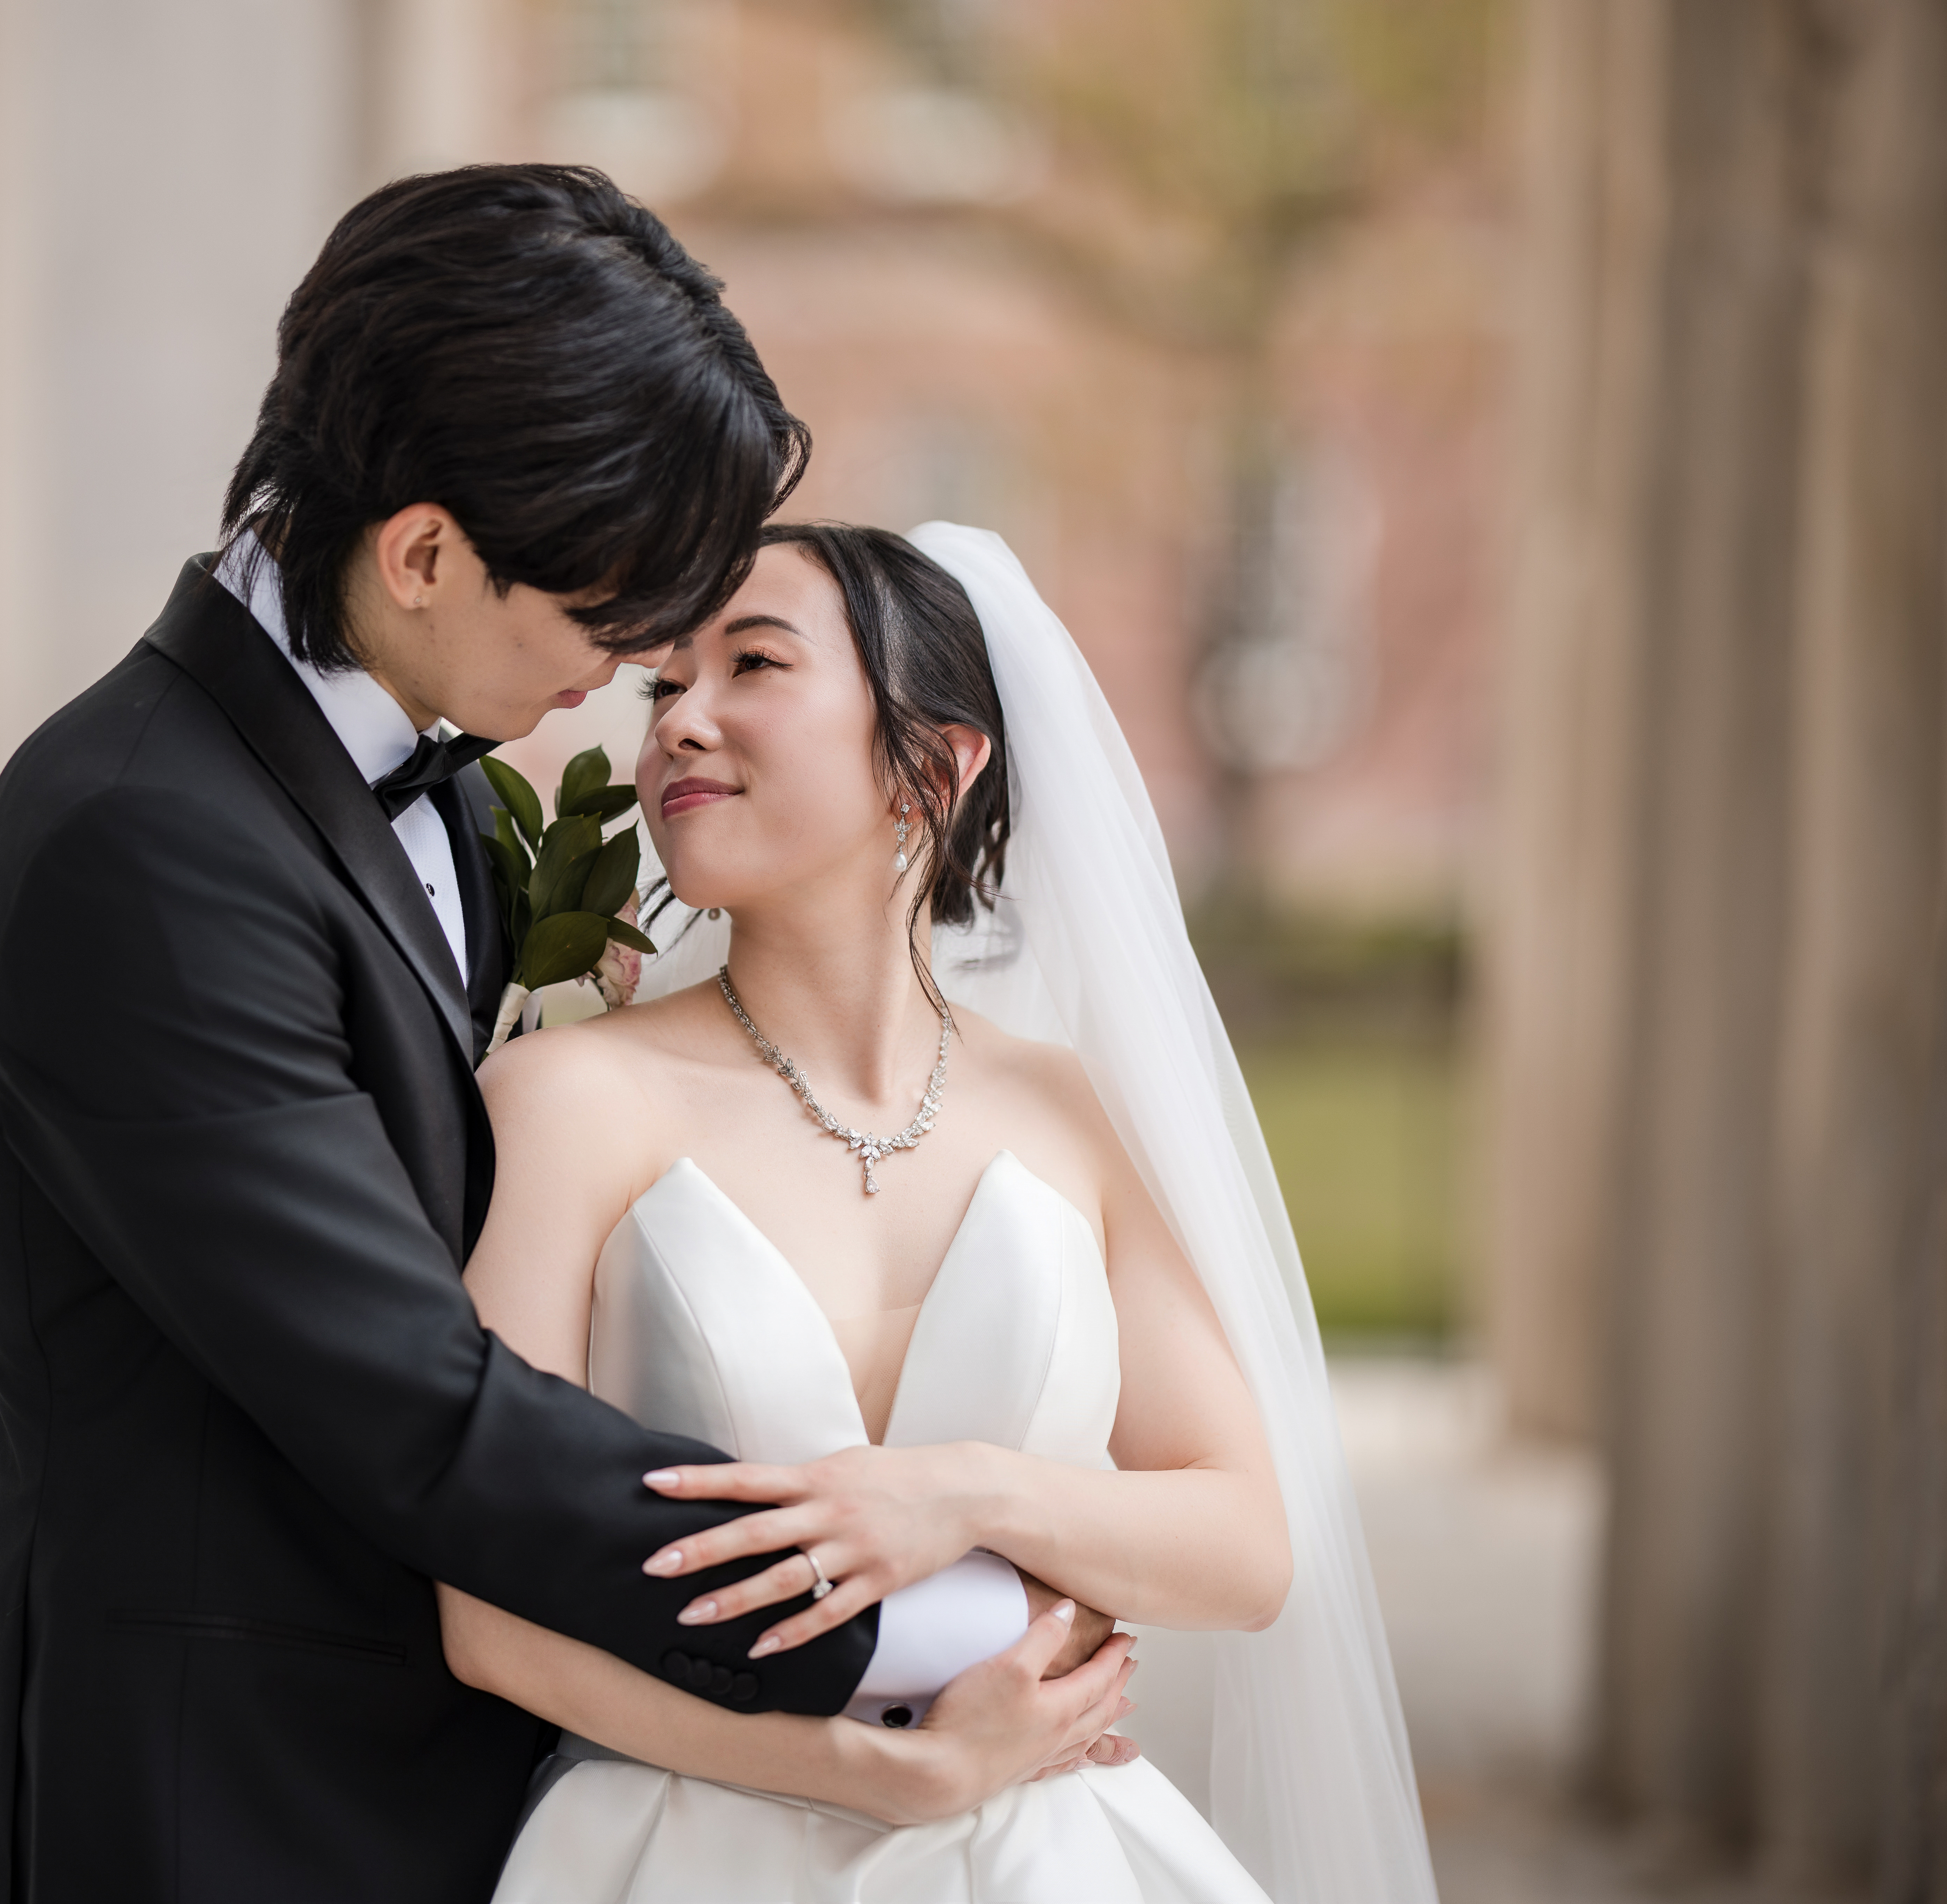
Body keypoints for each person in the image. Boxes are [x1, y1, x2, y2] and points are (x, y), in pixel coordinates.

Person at [0, 168, 1131, 1904]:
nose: (645, 667)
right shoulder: (135, 846)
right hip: (238, 1801)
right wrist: (915, 1617)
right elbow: (422, 1408)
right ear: (419, 551)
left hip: (518, 1797)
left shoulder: (462, 813)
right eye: (607, 618)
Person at [449, 524, 1439, 1902]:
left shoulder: (1064, 1112)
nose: (681, 720)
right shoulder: (564, 1098)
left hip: (1046, 1860)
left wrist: (961, 1492)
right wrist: (866, 1775)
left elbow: (1246, 1544)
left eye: (751, 665)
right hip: (680, 1852)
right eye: (662, 686)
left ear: (933, 762)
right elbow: (488, 1617)